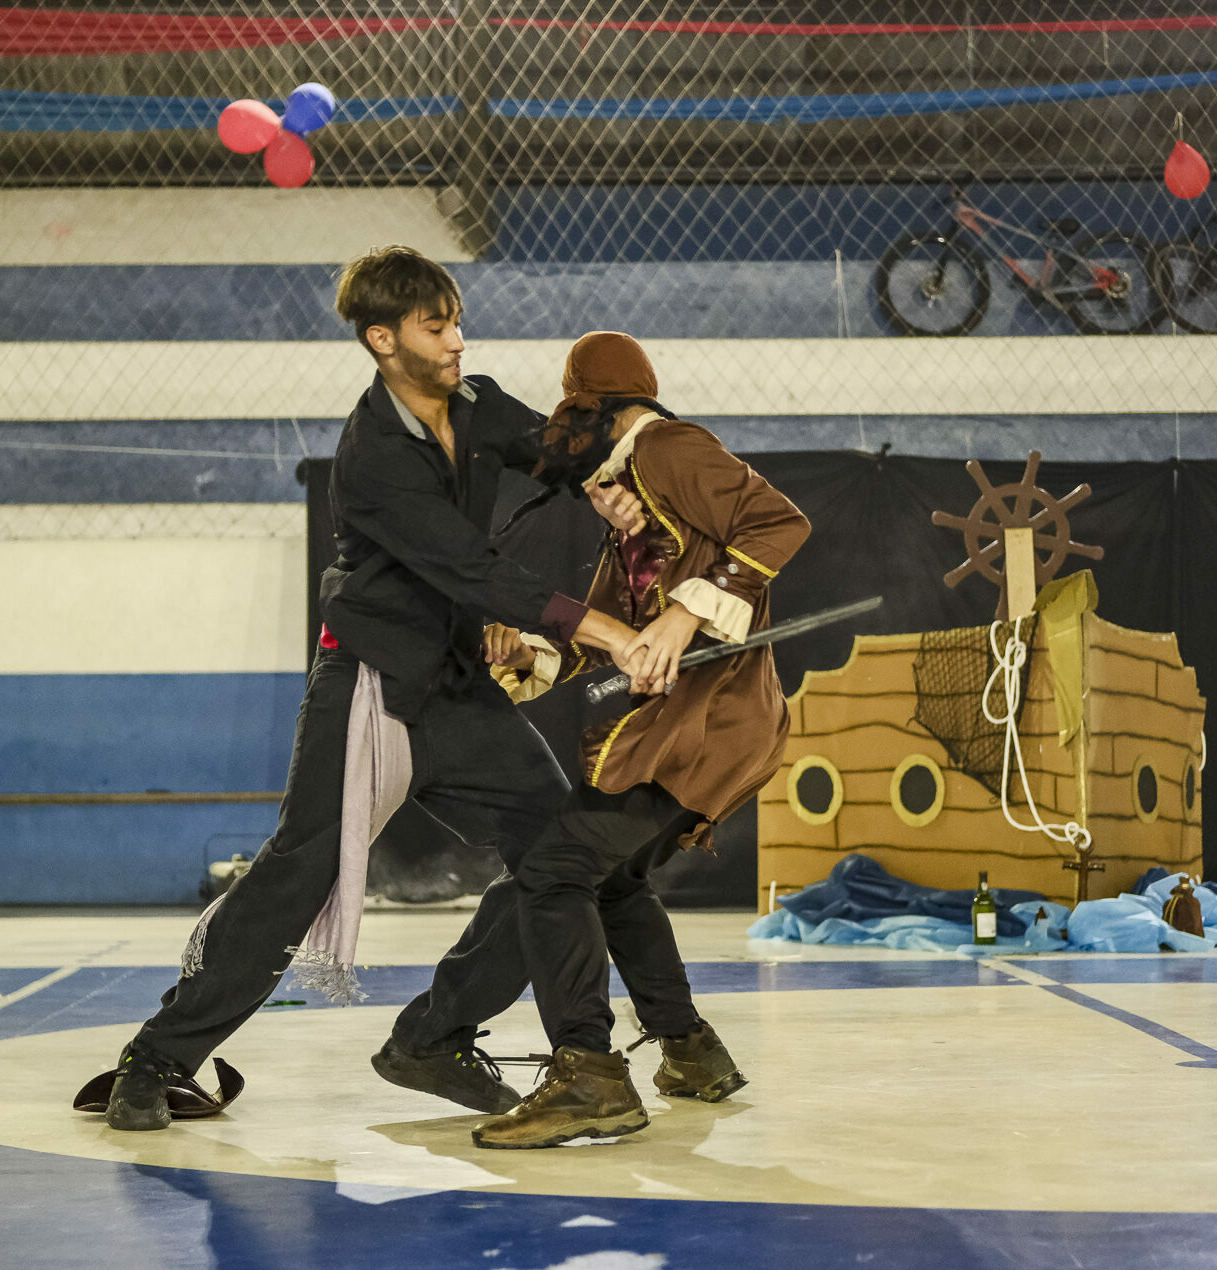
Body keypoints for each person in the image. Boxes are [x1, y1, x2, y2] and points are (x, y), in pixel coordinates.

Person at [83, 247, 645, 1131]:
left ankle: (434, 1036)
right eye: (436, 327)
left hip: (455, 691)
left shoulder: (477, 403)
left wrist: (613, 479)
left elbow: (555, 449)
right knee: (296, 876)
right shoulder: (374, 456)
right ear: (383, 340)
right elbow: (470, 569)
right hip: (370, 685)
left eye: (457, 322)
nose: (457, 340)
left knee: (562, 849)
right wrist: (610, 631)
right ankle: (156, 1057)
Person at [396, 331, 812, 1150]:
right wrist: (532, 655)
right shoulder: (635, 510)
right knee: (612, 881)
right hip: (695, 730)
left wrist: (684, 616)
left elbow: (778, 521)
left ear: (601, 412)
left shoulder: (665, 446)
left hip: (703, 728)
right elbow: (606, 633)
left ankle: (588, 1074)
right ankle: (689, 1051)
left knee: (553, 872)